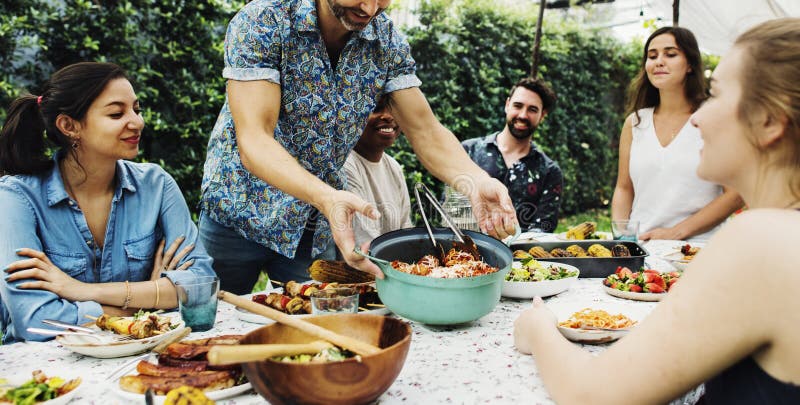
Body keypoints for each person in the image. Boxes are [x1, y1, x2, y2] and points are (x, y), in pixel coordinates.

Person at [514, 18, 800, 404]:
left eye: (717, 95)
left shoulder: (761, 241)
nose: (699, 117)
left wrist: (537, 327)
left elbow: (595, 395)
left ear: (768, 123)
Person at [199, 0, 517, 294]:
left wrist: (476, 181)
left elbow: (426, 131)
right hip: (238, 212)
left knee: (312, 330)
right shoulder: (264, 20)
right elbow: (254, 140)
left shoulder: (387, 40)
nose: (369, 8)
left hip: (313, 225)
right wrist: (327, 197)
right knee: (211, 328)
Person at [0, 62, 215, 344]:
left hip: (141, 357)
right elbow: (35, 320)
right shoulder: (16, 199)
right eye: (117, 113)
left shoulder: (157, 185)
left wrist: (79, 290)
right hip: (48, 372)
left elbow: (200, 286)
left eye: (136, 110)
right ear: (69, 126)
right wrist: (147, 297)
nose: (137, 122)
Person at [611, 26, 743, 242]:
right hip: (642, 248)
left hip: (697, 250)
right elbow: (624, 188)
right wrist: (622, 235)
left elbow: (735, 194)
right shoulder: (635, 122)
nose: (659, 61)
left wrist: (676, 233)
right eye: (652, 56)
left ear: (690, 64)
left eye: (670, 54)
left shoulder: (714, 116)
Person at [462, 77, 563, 233]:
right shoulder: (469, 151)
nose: (523, 115)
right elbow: (449, 208)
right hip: (463, 251)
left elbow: (544, 228)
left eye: (532, 109)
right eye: (518, 105)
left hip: (520, 255)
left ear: (542, 115)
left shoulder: (550, 172)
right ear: (507, 105)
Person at [343, 96, 413, 246]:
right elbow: (364, 242)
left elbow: (405, 229)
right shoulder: (345, 165)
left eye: (393, 110)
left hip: (393, 263)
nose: (388, 116)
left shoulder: (394, 167)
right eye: (376, 109)